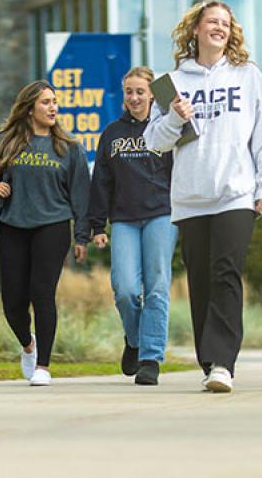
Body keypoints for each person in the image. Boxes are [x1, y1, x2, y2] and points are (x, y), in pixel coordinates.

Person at [144, 0, 262, 394]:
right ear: (196, 30)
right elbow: (154, 142)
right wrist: (174, 117)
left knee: (226, 273)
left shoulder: (247, 75)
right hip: (190, 197)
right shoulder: (172, 82)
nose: (219, 28)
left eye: (225, 23)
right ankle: (209, 361)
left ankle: (223, 362)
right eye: (211, 22)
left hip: (235, 192)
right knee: (201, 281)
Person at [0, 80, 91, 387]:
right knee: (12, 302)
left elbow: (81, 196)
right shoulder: (5, 141)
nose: (53, 107)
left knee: (42, 293)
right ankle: (28, 344)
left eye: (54, 101)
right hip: (12, 226)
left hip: (52, 226)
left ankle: (44, 366)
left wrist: (82, 237)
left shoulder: (69, 148)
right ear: (29, 109)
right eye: (45, 102)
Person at [84, 66, 177, 386]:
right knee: (124, 289)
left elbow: (183, 172)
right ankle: (134, 340)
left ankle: (150, 357)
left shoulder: (166, 128)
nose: (134, 97)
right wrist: (97, 226)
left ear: (152, 94)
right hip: (123, 219)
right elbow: (101, 183)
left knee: (157, 287)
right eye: (129, 92)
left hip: (162, 214)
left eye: (140, 91)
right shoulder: (111, 133)